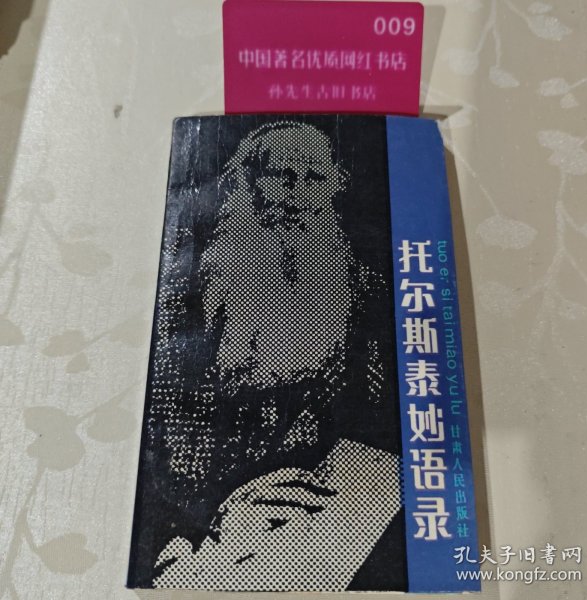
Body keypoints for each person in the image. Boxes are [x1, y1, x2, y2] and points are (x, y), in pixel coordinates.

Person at [150, 121, 406, 590]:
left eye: (315, 178)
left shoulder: (360, 286)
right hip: (207, 506)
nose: (298, 194)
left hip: (313, 502)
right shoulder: (191, 283)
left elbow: (374, 413)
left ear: (333, 187)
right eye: (281, 176)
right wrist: (224, 509)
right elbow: (166, 428)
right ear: (248, 181)